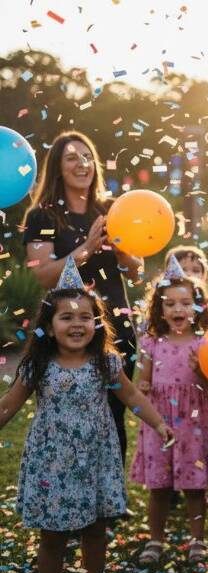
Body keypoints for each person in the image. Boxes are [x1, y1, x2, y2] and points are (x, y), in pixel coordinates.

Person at [0, 258, 173, 573]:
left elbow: (131, 395)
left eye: (85, 317)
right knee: (53, 536)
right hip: (52, 462)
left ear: (97, 323)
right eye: (66, 317)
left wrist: (159, 423)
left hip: (95, 458)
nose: (77, 324)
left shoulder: (105, 362)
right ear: (50, 325)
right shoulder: (38, 364)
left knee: (95, 530)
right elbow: (9, 404)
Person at [23, 131, 144, 464]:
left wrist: (123, 253)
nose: (82, 163)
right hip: (68, 331)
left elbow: (136, 273)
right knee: (69, 415)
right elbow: (43, 274)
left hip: (116, 328)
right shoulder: (42, 216)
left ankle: (111, 490)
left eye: (87, 156)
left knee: (114, 415)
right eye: (72, 157)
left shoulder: (112, 209)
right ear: (57, 168)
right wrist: (86, 249)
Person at [129, 257, 208, 565]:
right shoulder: (151, 342)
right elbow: (143, 381)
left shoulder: (204, 343)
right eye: (169, 304)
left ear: (198, 307)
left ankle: (198, 540)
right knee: (159, 486)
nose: (177, 310)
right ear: (159, 309)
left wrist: (202, 370)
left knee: (195, 486)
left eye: (185, 303)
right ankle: (156, 539)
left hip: (193, 422)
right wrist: (143, 387)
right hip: (159, 421)